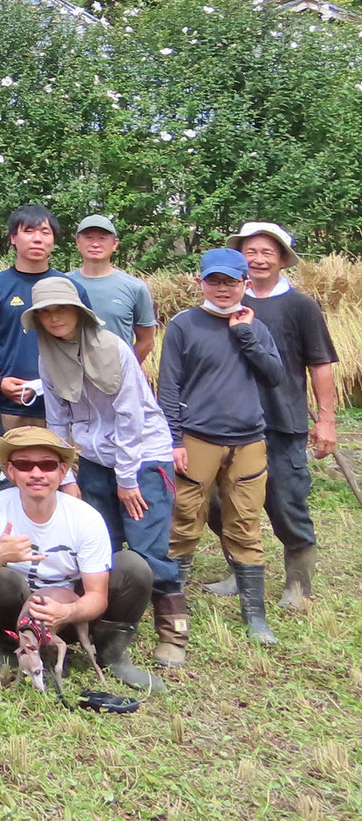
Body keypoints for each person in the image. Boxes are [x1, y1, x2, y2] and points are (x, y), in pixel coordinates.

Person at [24, 276, 180, 682]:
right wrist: (66, 473)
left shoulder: (114, 348)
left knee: (147, 546)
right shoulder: (48, 354)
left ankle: (171, 629)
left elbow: (130, 416)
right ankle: (105, 627)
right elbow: (57, 417)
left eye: (61, 308)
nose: (54, 317)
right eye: (45, 311)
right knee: (100, 544)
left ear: (79, 311)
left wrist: (127, 478)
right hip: (92, 455)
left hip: (141, 454)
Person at [0, 427, 156, 690]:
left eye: (47, 465)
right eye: (24, 465)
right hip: (19, 617)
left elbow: (97, 595)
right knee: (0, 577)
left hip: (72, 618)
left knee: (132, 567)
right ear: (11, 471)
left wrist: (67, 612)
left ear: (62, 472)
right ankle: (4, 645)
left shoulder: (85, 518)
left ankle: (113, 653)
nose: (36, 473)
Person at [160, 247, 287, 646]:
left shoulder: (255, 327)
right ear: (200, 282)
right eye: (214, 280)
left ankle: (255, 617)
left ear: (245, 285)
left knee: (246, 525)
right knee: (183, 522)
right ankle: (172, 608)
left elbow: (274, 375)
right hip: (197, 439)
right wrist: (174, 439)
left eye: (231, 281)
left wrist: (244, 333)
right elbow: (169, 386)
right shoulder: (183, 325)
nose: (222, 288)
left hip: (248, 441)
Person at [228, 221, 340, 611]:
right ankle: (239, 570)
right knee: (224, 501)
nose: (257, 259)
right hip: (230, 422)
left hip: (282, 420)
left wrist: (326, 419)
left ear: (282, 259)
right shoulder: (227, 299)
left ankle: (298, 582)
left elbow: (320, 363)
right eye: (250, 251)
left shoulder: (300, 305)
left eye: (266, 252)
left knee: (286, 500)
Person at [0, 206, 76, 430]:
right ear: (13, 238)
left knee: (64, 466)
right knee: (11, 465)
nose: (37, 239)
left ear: (53, 240)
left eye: (45, 232)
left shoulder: (69, 288)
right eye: (28, 231)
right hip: (9, 409)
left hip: (65, 409)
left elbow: (86, 342)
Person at [67, 215, 157, 360]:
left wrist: (125, 369)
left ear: (115, 244)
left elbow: (146, 341)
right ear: (78, 242)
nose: (95, 244)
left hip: (117, 379)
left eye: (102, 238)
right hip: (69, 376)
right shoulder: (62, 284)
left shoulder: (135, 287)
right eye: (89, 237)